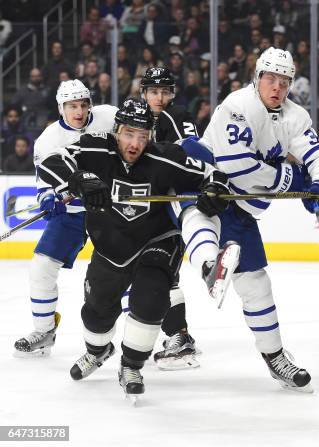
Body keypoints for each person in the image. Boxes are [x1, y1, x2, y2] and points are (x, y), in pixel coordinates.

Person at [36, 98, 231, 399]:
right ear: (116, 131)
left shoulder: (165, 157)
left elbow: (212, 173)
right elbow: (52, 162)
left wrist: (215, 189)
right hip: (110, 245)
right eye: (129, 134)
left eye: (143, 136)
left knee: (150, 299)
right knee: (96, 313)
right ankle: (98, 351)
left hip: (155, 241)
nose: (135, 143)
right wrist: (80, 179)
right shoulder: (94, 147)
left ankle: (131, 364)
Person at [191, 47, 319, 392]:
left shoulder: (295, 116)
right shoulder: (237, 106)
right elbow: (238, 167)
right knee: (156, 266)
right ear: (257, 78)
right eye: (270, 78)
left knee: (257, 285)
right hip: (212, 195)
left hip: (243, 210)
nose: (277, 87)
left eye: (284, 81)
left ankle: (275, 358)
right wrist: (292, 179)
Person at [13, 80, 117, 357]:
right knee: (41, 267)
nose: (79, 111)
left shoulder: (109, 117)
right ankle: (44, 330)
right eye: (72, 106)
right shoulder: (48, 139)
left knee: (124, 270)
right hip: (73, 214)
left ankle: (139, 336)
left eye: (83, 105)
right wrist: (46, 196)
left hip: (111, 209)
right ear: (61, 108)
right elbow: (44, 177)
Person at [138, 67, 203, 368]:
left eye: (165, 91)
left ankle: (179, 335)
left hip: (172, 203)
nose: (159, 97)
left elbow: (191, 152)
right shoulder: (139, 120)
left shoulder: (177, 116)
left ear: (173, 93)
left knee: (165, 273)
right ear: (144, 94)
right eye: (153, 91)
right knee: (153, 274)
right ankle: (173, 334)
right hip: (150, 207)